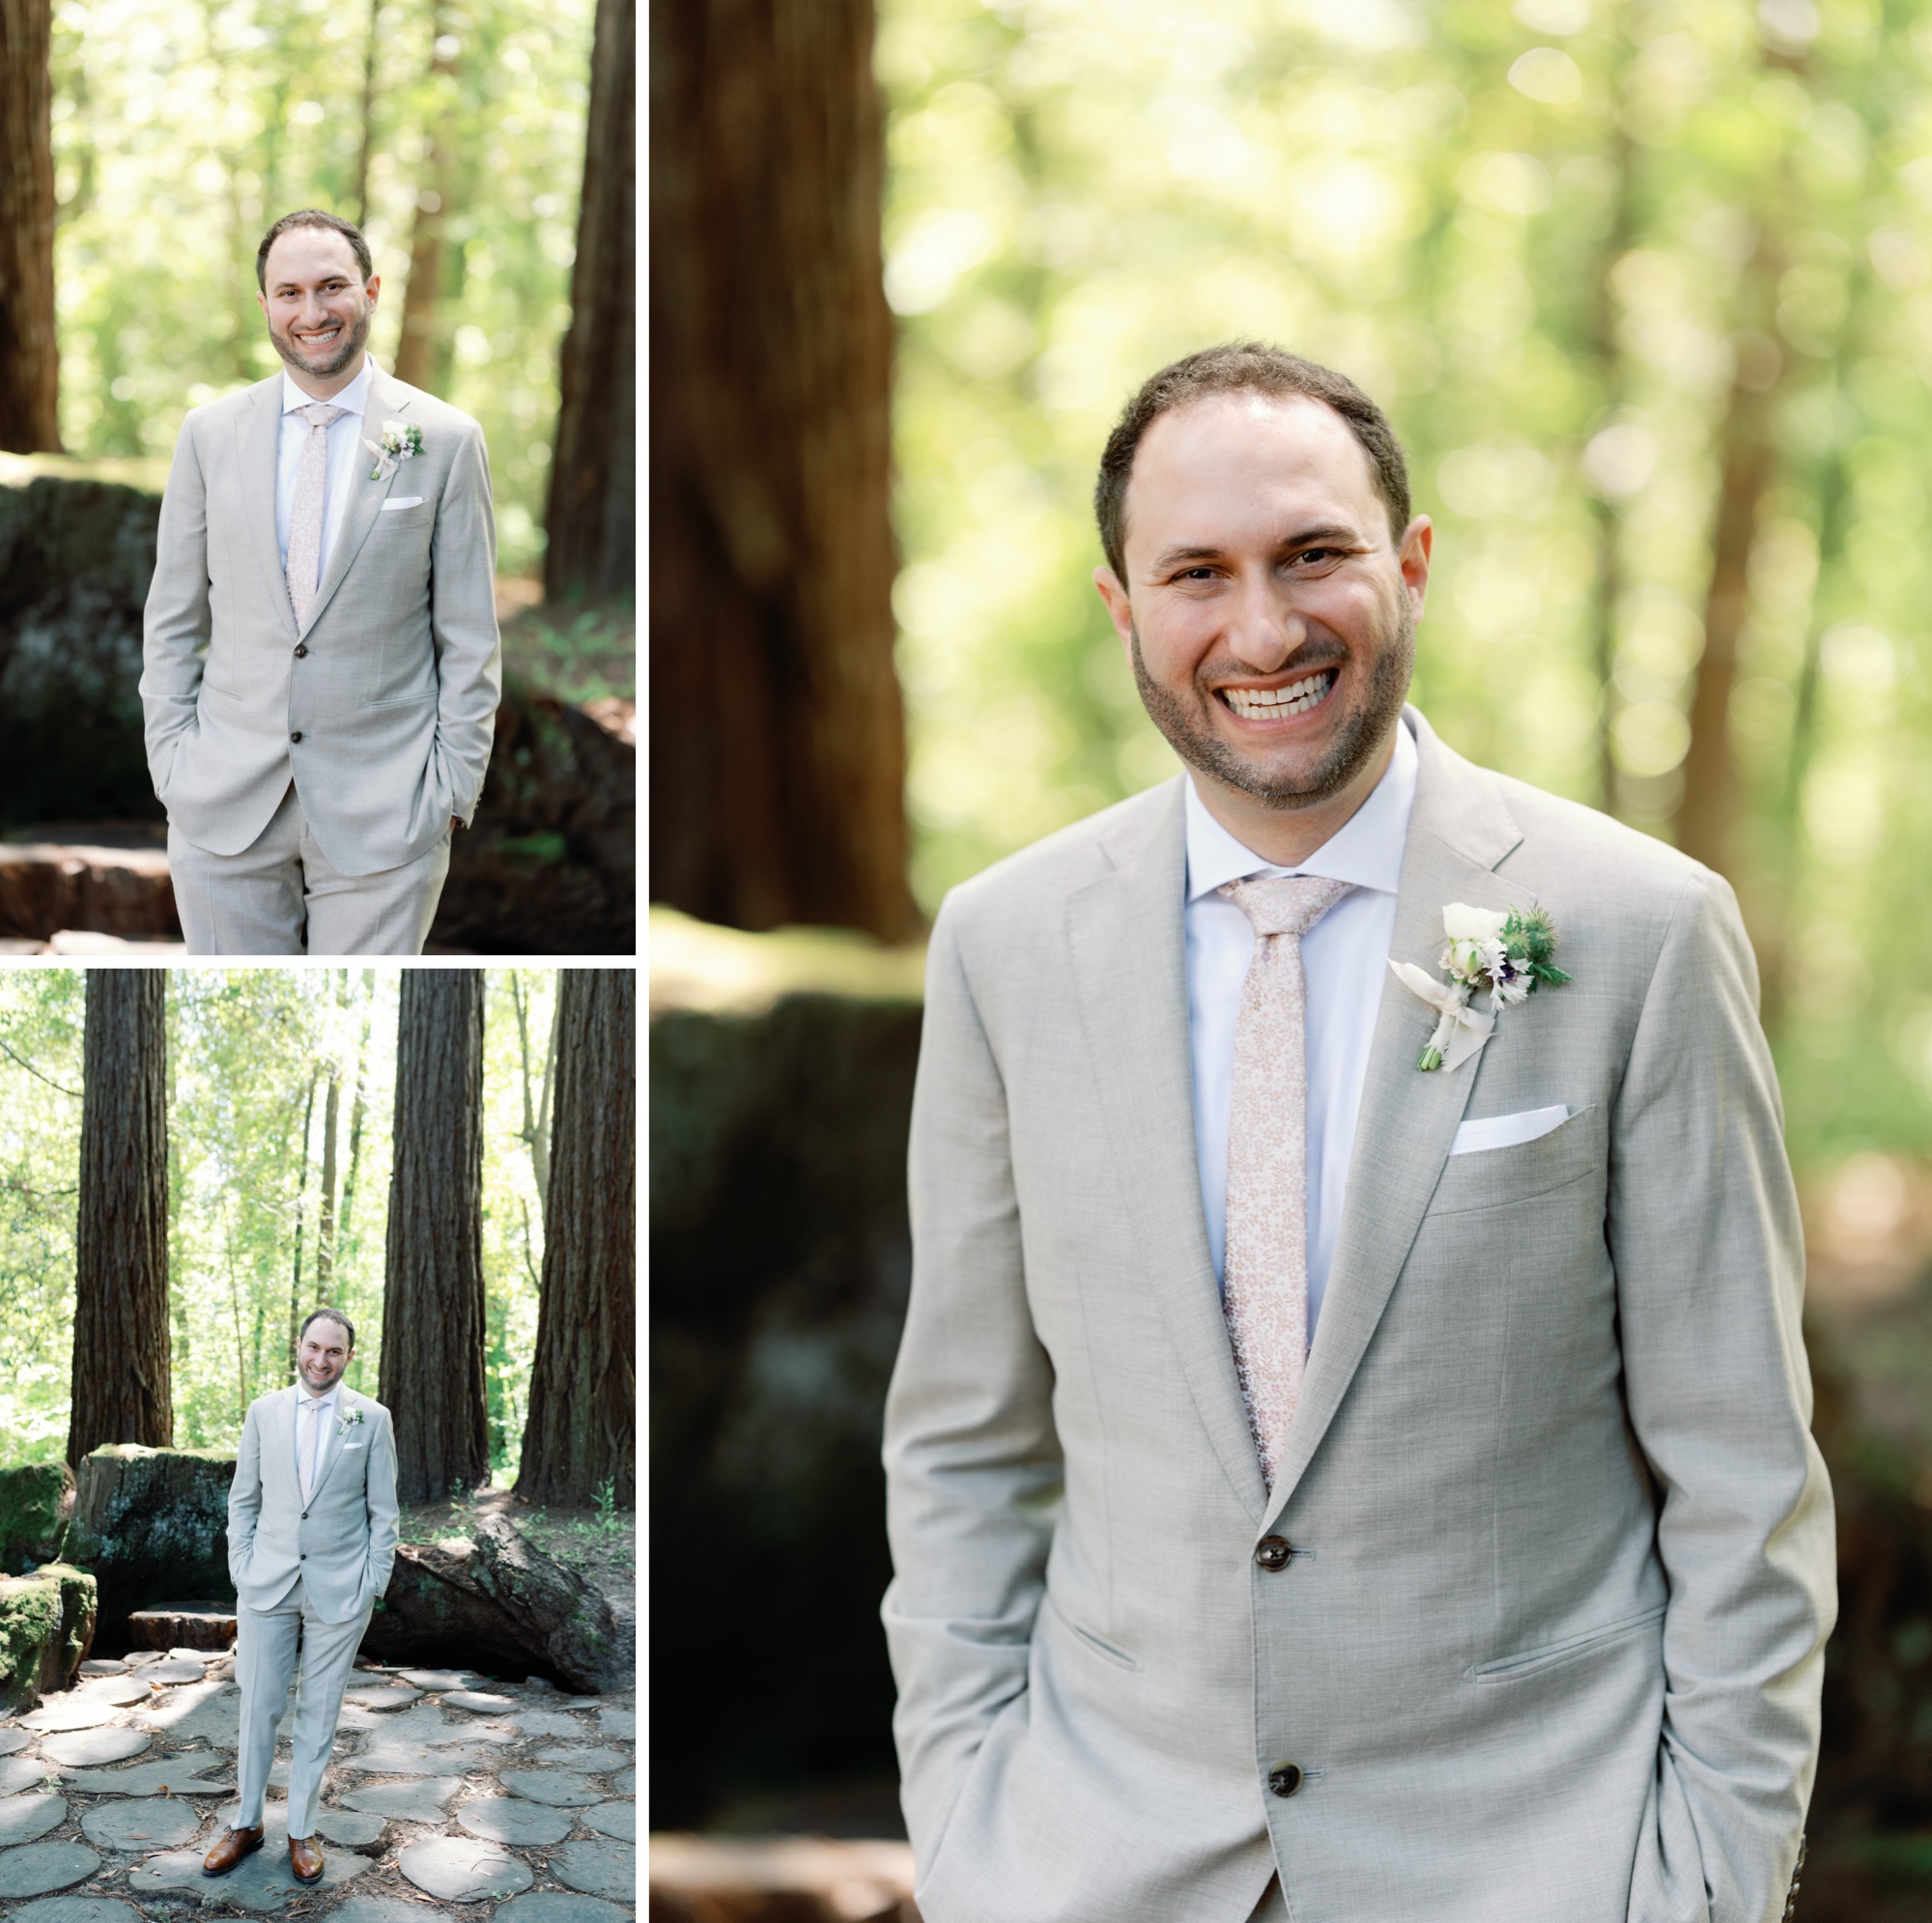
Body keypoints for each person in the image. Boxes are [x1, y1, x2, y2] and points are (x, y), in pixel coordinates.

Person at [881, 343, 1835, 1922]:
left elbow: (1742, 1471)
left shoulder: (1637, 928)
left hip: (1540, 1863)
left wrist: (1713, 1882)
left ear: (1410, 564)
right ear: (1125, 608)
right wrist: (967, 1822)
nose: (1262, 629)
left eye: (1312, 555)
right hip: (1093, 1860)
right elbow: (963, 1441)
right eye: (1198, 572)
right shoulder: (1005, 944)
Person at [140, 208, 502, 955]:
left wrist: (449, 794)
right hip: (222, 804)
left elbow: (469, 636)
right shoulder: (209, 436)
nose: (313, 312)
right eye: (290, 292)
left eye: (332, 287)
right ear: (266, 304)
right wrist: (172, 761)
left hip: (387, 810)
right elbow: (172, 616)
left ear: (370, 291)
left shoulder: (443, 440)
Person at [207, 1308, 398, 1885]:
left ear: (349, 1356)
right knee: (258, 1705)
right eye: (314, 1347)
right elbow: (244, 1499)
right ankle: (246, 1824)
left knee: (319, 1712)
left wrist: (372, 1585)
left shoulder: (372, 1418)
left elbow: (383, 1513)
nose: (321, 1360)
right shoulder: (263, 1412)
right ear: (299, 1346)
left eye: (333, 1351)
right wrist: (241, 1568)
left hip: (341, 1592)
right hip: (267, 1583)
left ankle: (301, 1831)